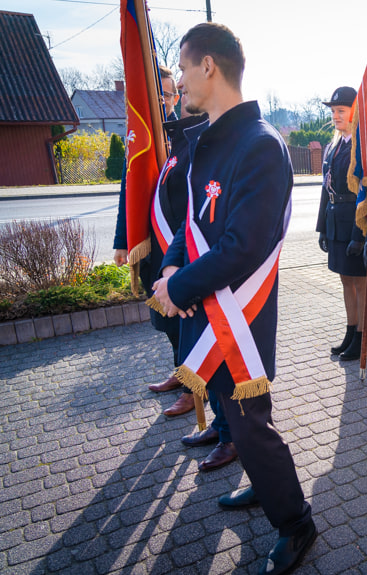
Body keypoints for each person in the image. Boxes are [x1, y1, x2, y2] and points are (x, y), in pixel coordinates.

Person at [152, 23, 315, 574]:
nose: (176, 80)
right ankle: (264, 487)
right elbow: (192, 222)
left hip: (239, 318)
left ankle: (296, 522)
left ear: (209, 67)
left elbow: (242, 246)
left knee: (249, 422)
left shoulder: (261, 145)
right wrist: (173, 260)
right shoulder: (207, 139)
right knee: (231, 414)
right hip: (208, 307)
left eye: (182, 65)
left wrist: (176, 285)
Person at [113, 65, 194, 416]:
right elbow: (127, 193)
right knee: (164, 320)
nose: (160, 102)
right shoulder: (140, 136)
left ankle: (195, 388)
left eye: (165, 94)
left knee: (183, 317)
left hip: (176, 242)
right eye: (153, 96)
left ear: (176, 96)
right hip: (150, 242)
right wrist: (122, 240)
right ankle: (181, 371)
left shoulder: (187, 133)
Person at [315, 86, 367, 361]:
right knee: (345, 281)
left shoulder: (362, 148)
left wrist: (359, 234)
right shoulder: (334, 145)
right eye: (333, 111)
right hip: (335, 219)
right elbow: (325, 189)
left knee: (361, 283)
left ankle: (363, 337)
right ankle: (351, 332)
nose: (336, 116)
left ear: (355, 112)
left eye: (341, 111)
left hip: (355, 221)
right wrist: (322, 228)